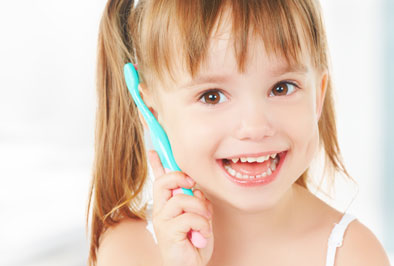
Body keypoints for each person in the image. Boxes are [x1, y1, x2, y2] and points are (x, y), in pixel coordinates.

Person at [86, 0, 391, 265]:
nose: (256, 127)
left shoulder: (354, 254)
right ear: (151, 112)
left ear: (318, 96)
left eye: (281, 88)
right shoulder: (129, 249)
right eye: (212, 96)